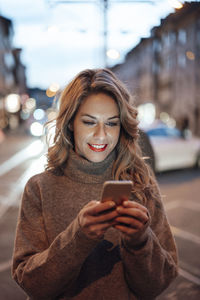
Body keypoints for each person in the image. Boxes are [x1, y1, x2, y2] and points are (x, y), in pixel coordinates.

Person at [12, 68, 178, 300]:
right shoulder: (39, 187)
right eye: (89, 122)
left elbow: (156, 286)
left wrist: (140, 241)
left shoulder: (141, 182)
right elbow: (32, 284)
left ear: (122, 126)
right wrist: (78, 237)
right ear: (70, 123)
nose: (101, 135)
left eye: (111, 123)